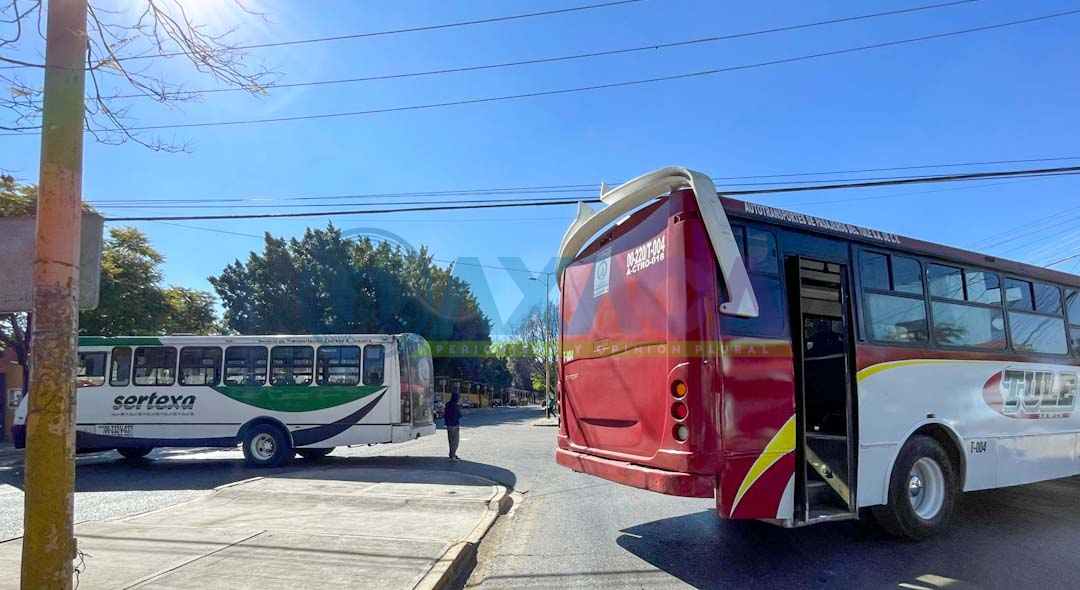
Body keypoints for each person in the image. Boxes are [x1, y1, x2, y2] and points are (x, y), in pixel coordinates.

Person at [444, 392, 461, 461]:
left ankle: (452, 454)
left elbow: (445, 414)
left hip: (449, 425)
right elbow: (459, 415)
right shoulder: (455, 405)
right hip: (455, 425)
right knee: (455, 442)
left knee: (450, 441)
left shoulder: (447, 404)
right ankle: (453, 456)